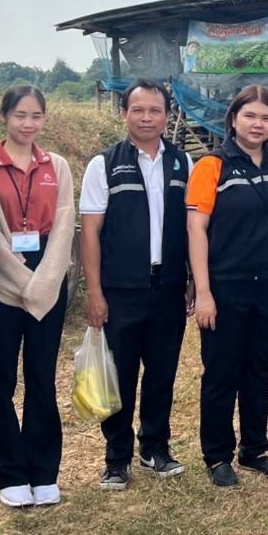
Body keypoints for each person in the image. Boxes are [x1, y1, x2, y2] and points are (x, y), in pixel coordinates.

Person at [79, 79, 194, 491]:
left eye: (155, 110)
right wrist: (95, 293)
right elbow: (90, 233)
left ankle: (155, 448)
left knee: (162, 372)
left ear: (167, 115)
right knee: (121, 374)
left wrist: (191, 279)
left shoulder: (183, 163)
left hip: (168, 287)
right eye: (138, 110)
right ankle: (117, 458)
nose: (147, 118)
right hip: (120, 290)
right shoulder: (105, 164)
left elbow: (192, 226)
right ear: (124, 113)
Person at [187, 86, 268, 487]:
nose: (258, 124)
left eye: (266, 118)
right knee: (222, 371)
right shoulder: (212, 166)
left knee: (259, 367)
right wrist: (203, 292)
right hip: (225, 284)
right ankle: (217, 455)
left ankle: (255, 449)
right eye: (250, 116)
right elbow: (196, 230)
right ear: (233, 118)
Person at [0, 85, 75, 509]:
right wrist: (22, 281)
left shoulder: (58, 166)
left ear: (44, 119)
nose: (28, 124)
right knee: (0, 377)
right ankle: (8, 473)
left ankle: (43, 470)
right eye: (20, 115)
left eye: (36, 116)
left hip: (49, 276)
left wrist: (44, 282)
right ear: (4, 116)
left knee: (42, 376)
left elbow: (66, 224)